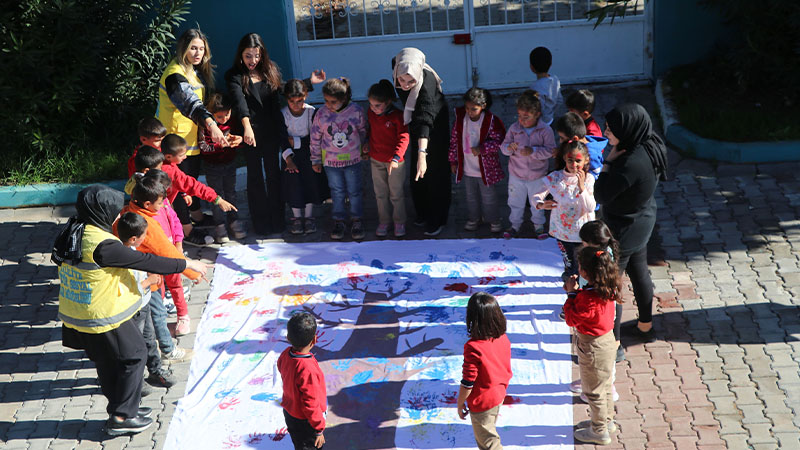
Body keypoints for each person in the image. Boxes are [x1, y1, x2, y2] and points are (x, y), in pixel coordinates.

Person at [55, 185, 208, 436]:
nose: (117, 217)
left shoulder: (76, 228)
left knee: (109, 362)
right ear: (100, 211)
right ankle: (123, 416)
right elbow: (146, 260)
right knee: (135, 354)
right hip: (102, 315)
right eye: (114, 212)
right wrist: (186, 264)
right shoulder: (102, 245)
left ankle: (120, 410)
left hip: (82, 313)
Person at [226, 32, 325, 236]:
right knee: (255, 177)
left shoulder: (270, 70)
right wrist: (246, 127)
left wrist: (308, 82)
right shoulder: (235, 75)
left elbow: (284, 90)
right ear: (241, 55)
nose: (253, 60)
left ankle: (277, 220)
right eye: (248, 56)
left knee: (273, 175)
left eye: (256, 55)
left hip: (271, 130)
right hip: (250, 131)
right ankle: (261, 224)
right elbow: (239, 102)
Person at [595, 103, 667, 345]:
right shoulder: (651, 142)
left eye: (610, 130)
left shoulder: (628, 164)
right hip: (643, 221)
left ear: (627, 130)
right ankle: (645, 327)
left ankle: (613, 345)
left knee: (611, 286)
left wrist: (607, 162)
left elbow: (600, 195)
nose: (606, 134)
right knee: (639, 274)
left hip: (622, 232)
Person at [156, 28, 226, 241]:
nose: (198, 53)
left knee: (190, 180)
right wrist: (212, 125)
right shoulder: (174, 75)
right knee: (177, 186)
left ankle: (196, 216)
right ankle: (185, 230)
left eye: (201, 49)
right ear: (183, 49)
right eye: (193, 48)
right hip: (173, 141)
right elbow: (190, 103)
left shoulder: (194, 71)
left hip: (190, 140)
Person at [117, 174, 203, 337]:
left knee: (175, 286)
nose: (163, 205)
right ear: (148, 204)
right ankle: (163, 338)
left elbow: (174, 220)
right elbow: (163, 250)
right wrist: (191, 272)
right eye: (160, 203)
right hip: (155, 266)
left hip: (171, 257)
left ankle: (178, 317)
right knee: (157, 300)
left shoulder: (155, 205)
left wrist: (178, 244)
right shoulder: (143, 221)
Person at [563, 246, 622, 446]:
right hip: (606, 342)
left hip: (592, 348)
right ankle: (606, 420)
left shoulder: (587, 298)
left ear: (585, 272)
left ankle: (599, 431)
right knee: (604, 386)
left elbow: (571, 319)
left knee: (593, 392)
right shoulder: (607, 287)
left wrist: (571, 294)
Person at [393, 47, 451, 236]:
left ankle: (437, 218)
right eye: (402, 80)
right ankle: (423, 212)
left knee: (434, 173)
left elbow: (426, 117)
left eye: (412, 81)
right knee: (417, 174)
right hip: (416, 123)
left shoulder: (427, 85)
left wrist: (422, 154)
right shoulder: (398, 67)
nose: (406, 84)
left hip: (434, 126)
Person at [117, 212, 176, 389]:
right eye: (144, 235)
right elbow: (129, 288)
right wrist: (149, 281)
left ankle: (155, 371)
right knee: (136, 347)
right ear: (134, 238)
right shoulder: (123, 257)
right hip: (134, 310)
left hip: (144, 305)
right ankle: (135, 381)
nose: (146, 238)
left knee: (150, 341)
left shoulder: (131, 250)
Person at [568, 220, 622, 399]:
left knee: (595, 359)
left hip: (595, 322)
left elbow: (573, 318)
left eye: (583, 242)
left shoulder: (596, 261)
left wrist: (572, 295)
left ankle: (606, 386)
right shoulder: (604, 255)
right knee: (594, 359)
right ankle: (590, 381)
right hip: (602, 309)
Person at [310, 78, 368, 241]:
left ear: (344, 99)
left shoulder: (356, 111)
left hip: (353, 161)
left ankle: (357, 220)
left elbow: (363, 131)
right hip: (330, 163)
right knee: (337, 191)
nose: (328, 104)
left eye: (333, 102)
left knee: (355, 191)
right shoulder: (321, 114)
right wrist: (315, 159)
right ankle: (339, 220)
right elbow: (315, 137)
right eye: (326, 101)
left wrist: (364, 148)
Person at [533, 140, 596, 280]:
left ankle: (582, 285)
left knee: (583, 263)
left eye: (578, 161)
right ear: (564, 159)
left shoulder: (589, 179)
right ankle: (570, 282)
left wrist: (582, 188)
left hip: (582, 232)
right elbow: (536, 196)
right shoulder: (555, 178)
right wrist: (541, 204)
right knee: (568, 261)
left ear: (586, 161)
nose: (574, 165)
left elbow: (590, 207)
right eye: (570, 160)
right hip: (562, 231)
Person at [456, 292, 512, 450]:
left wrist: (460, 403)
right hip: (499, 392)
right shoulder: (502, 338)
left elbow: (468, 382)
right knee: (490, 428)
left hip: (483, 402)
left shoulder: (473, 347)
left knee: (489, 443)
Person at [160, 134, 238, 245]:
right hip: (159, 210)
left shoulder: (162, 161)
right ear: (168, 156)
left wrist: (183, 192)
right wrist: (217, 199)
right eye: (182, 155)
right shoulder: (170, 171)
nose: (185, 157)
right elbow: (192, 185)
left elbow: (178, 184)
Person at [449, 87, 505, 233]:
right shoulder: (461, 120)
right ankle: (474, 218)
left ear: (483, 106)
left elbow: (499, 141)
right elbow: (454, 141)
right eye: (467, 108)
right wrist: (453, 161)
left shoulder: (490, 121)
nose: (469, 112)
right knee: (471, 197)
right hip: (467, 167)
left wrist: (483, 148)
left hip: (485, 169)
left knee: (489, 197)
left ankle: (493, 220)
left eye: (473, 109)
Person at [499, 90, 555, 239]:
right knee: (515, 202)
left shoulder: (545, 130)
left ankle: (538, 226)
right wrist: (508, 149)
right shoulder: (514, 128)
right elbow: (503, 147)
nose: (521, 120)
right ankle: (515, 226)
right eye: (519, 116)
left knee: (537, 202)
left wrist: (533, 151)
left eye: (526, 117)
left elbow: (551, 151)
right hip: (516, 175)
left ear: (537, 114)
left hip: (538, 175)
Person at [281, 79, 329, 235]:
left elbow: (314, 137)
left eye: (300, 100)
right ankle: (296, 217)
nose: (296, 104)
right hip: (290, 156)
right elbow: (282, 139)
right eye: (292, 101)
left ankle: (309, 217)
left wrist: (296, 141)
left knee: (311, 182)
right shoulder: (283, 114)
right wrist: (289, 160)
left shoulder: (311, 112)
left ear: (306, 96)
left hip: (310, 153)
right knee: (293, 183)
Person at [199, 92, 247, 243]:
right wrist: (220, 144)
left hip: (230, 163)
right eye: (219, 117)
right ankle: (219, 225)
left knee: (231, 193)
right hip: (212, 166)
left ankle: (234, 221)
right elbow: (203, 146)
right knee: (216, 196)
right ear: (211, 115)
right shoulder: (205, 125)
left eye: (227, 114)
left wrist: (238, 140)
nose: (224, 119)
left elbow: (240, 136)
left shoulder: (232, 121)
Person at [366, 79, 410, 238]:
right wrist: (366, 144)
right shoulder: (371, 113)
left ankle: (399, 221)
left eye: (378, 105)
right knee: (380, 194)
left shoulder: (398, 116)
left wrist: (396, 157)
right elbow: (369, 131)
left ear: (389, 101)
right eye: (371, 104)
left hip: (395, 162)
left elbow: (404, 137)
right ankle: (384, 221)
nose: (373, 108)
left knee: (396, 194)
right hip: (376, 160)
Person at [277, 312, 327, 449]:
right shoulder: (307, 368)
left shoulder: (285, 354)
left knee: (298, 442)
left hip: (290, 411)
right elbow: (310, 403)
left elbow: (280, 367)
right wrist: (319, 429)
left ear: (288, 338)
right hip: (306, 421)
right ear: (314, 339)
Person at [554, 112, 607, 177]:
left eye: (562, 138)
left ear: (575, 139)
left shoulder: (592, 155)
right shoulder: (579, 143)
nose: (560, 141)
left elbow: (596, 177)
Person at [529, 47, 562, 125]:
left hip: (540, 123)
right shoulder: (555, 80)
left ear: (532, 67)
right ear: (550, 64)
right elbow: (560, 100)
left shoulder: (534, 87)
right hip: (551, 119)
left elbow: (538, 107)